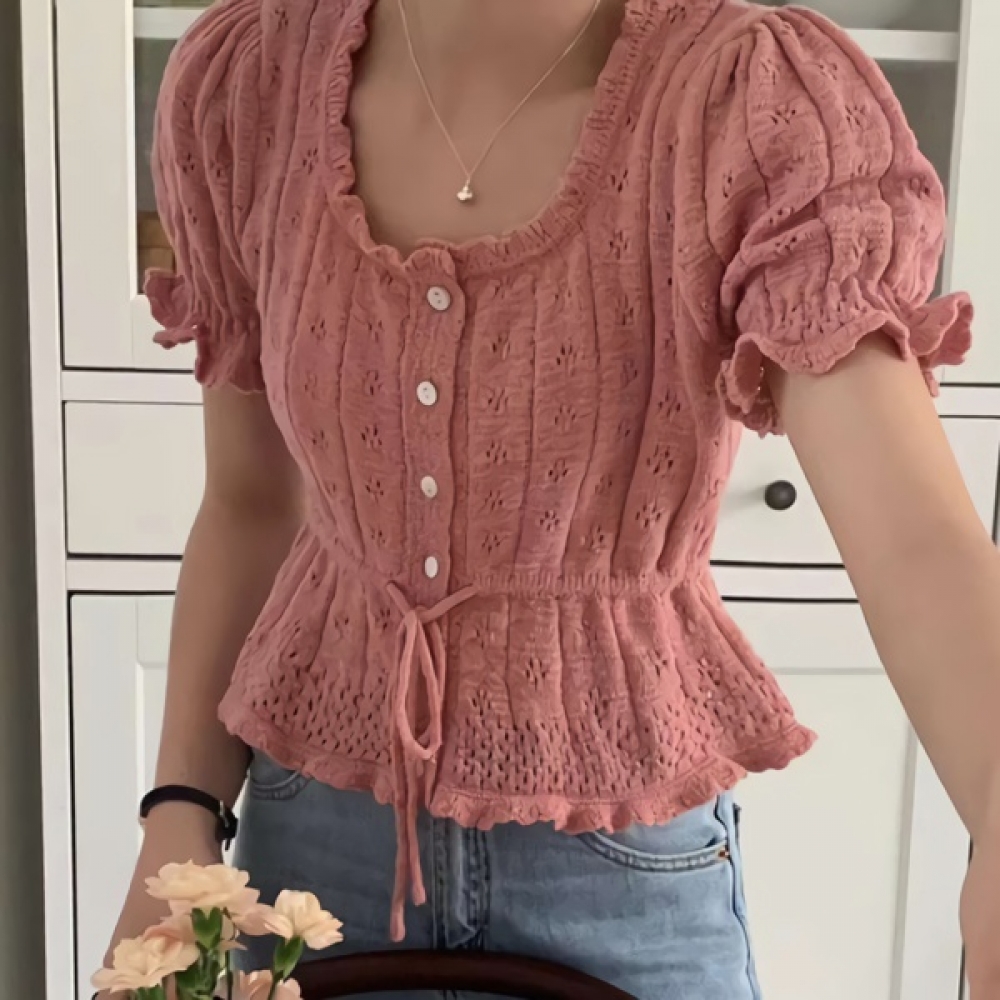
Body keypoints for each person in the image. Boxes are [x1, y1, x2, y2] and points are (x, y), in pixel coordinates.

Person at [106, 1, 1000, 997]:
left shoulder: (747, 97)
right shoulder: (249, 83)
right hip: (306, 856)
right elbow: (249, 507)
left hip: (622, 858)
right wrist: (179, 813)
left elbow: (914, 538)